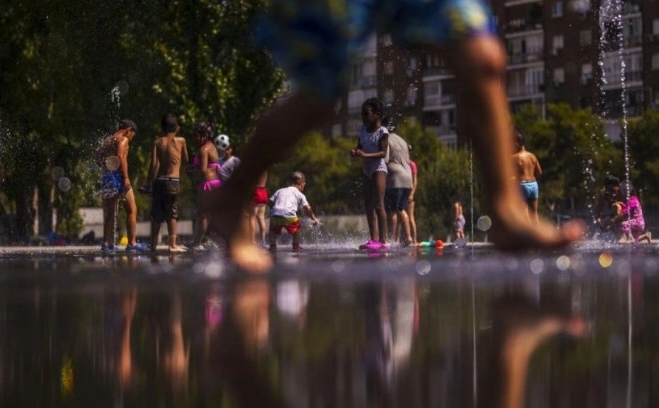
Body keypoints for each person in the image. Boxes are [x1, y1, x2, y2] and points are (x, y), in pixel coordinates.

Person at [204, 0, 584, 273]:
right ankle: (230, 198)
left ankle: (505, 214)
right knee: (316, 98)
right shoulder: (370, 132)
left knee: (481, 56)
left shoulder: (384, 136)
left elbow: (384, 157)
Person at [95, 119, 148, 252]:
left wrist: (107, 168)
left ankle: (106, 244)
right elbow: (120, 156)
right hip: (119, 177)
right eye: (132, 135)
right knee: (132, 209)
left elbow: (97, 157)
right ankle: (132, 244)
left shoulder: (108, 140)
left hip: (108, 176)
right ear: (129, 130)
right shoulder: (123, 139)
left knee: (111, 212)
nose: (131, 138)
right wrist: (125, 178)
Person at [141, 113, 189, 253]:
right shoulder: (181, 141)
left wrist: (148, 182)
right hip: (173, 181)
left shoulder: (157, 142)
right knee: (172, 214)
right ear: (177, 128)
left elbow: (153, 164)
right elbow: (186, 160)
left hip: (159, 181)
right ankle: (172, 244)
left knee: (157, 214)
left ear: (162, 128)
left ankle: (153, 245)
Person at [352, 98, 389, 250]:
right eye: (362, 114)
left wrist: (365, 155)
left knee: (378, 205)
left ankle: (383, 241)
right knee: (368, 204)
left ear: (377, 114)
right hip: (366, 168)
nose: (363, 117)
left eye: (366, 114)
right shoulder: (362, 129)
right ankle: (373, 239)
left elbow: (382, 153)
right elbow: (359, 146)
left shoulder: (383, 132)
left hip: (378, 168)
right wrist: (355, 152)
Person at [268, 171, 319, 252]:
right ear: (302, 184)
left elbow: (270, 202)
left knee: (272, 230)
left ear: (289, 182)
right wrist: (313, 218)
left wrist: (272, 210)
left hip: (275, 215)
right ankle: (296, 246)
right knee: (297, 230)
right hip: (289, 216)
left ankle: (272, 246)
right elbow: (307, 208)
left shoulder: (279, 190)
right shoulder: (300, 194)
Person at [192, 121, 222, 251]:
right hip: (216, 183)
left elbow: (203, 170)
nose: (194, 139)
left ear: (204, 135)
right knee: (212, 214)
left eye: (195, 136)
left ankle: (197, 244)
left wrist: (191, 171)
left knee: (202, 215)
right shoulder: (213, 147)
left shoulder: (204, 149)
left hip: (207, 185)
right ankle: (211, 240)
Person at [383, 119, 414, 246]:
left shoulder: (387, 140)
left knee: (392, 210)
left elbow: (384, 159)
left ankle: (394, 239)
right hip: (408, 178)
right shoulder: (403, 141)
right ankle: (408, 238)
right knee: (401, 208)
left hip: (395, 179)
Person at [513, 131, 542, 226]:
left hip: (522, 185)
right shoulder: (532, 156)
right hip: (534, 185)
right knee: (534, 214)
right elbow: (539, 172)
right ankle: (537, 237)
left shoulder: (514, 157)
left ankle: (528, 236)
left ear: (516, 144)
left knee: (524, 214)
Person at [249, 171, 269, 246]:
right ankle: (263, 241)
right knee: (261, 217)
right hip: (264, 191)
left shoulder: (256, 168)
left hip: (256, 191)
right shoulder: (265, 170)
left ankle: (252, 241)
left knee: (251, 217)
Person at [407, 148, 419, 242]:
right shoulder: (402, 163)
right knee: (400, 216)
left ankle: (414, 239)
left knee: (411, 217)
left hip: (409, 192)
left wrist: (412, 193)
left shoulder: (411, 164)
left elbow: (415, 180)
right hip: (402, 191)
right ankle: (399, 238)